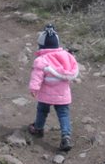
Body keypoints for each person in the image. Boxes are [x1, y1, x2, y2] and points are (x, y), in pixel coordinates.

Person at [28, 24, 79, 152]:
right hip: (62, 94)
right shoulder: (67, 56)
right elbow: (72, 69)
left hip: (45, 94)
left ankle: (38, 129)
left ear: (41, 46)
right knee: (63, 115)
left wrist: (34, 89)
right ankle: (66, 137)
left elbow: (36, 77)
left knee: (42, 111)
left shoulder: (41, 60)